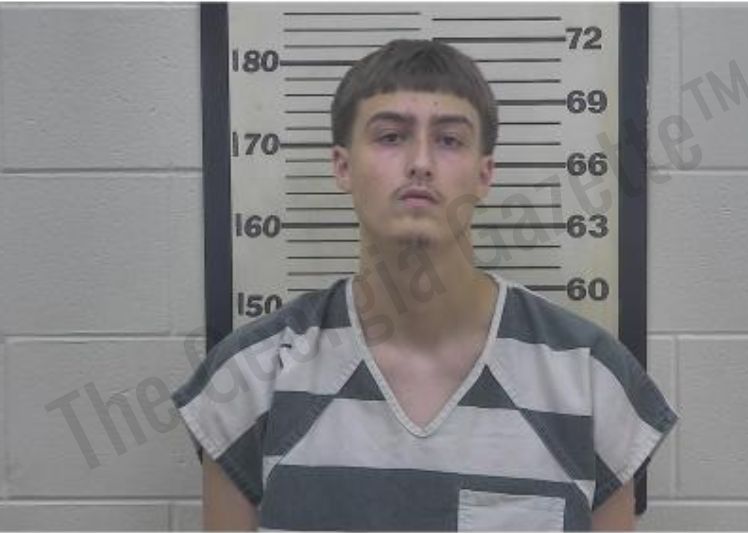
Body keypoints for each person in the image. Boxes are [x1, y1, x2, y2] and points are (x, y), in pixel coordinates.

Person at [171, 39, 678, 531]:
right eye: (391, 136)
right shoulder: (250, 380)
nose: (420, 162)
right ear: (342, 166)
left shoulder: (592, 379)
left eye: (449, 140)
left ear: (484, 175)